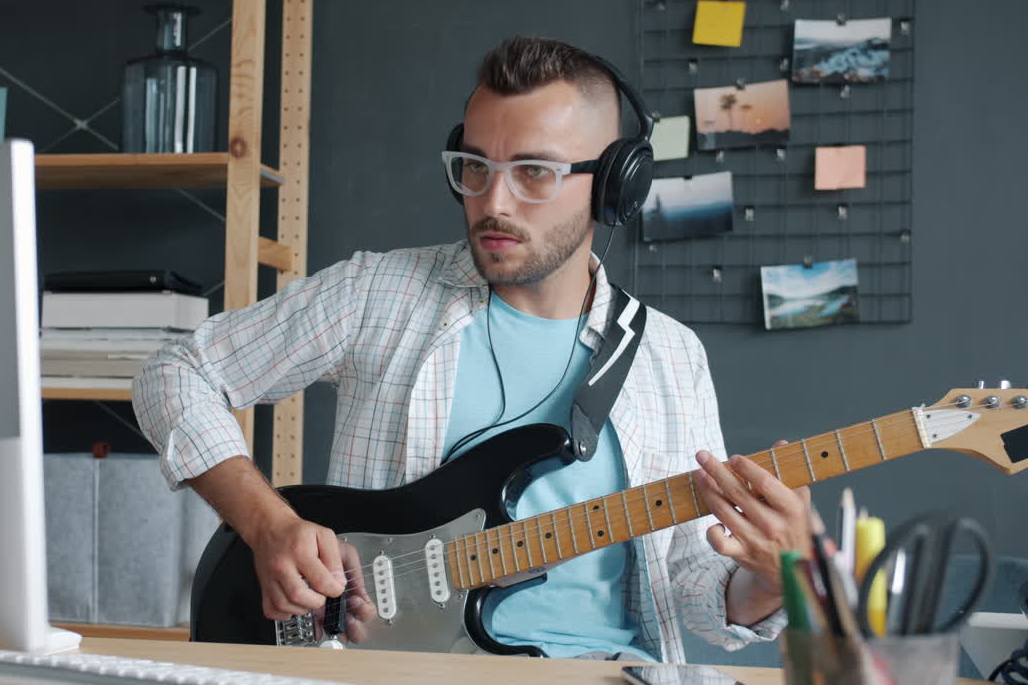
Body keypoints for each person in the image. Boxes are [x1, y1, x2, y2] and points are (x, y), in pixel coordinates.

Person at [133, 35, 810, 662]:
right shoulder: (379, 295)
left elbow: (695, 590)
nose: (494, 202)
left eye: (535, 173)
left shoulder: (671, 355)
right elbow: (174, 373)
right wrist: (268, 524)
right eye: (474, 167)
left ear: (613, 185)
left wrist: (770, 578)